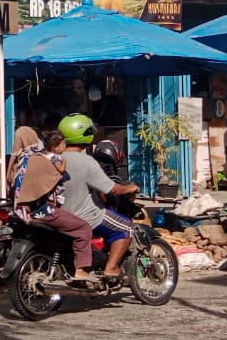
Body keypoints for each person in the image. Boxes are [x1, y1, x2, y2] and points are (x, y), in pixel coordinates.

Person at [57, 114, 140, 282]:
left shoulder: (55, 159)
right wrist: (130, 187)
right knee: (127, 228)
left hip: (58, 215)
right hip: (86, 215)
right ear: (85, 134)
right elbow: (112, 189)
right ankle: (111, 268)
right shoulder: (86, 161)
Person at [7, 126, 96, 282]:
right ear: (57, 146)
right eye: (64, 144)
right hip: (42, 211)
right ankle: (81, 270)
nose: (65, 147)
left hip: (22, 210)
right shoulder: (53, 159)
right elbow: (61, 170)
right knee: (83, 228)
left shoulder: (25, 157)